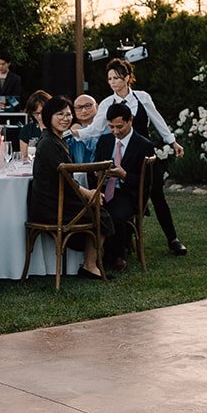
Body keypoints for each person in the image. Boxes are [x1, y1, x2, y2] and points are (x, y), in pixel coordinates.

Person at [76, 59, 188, 255]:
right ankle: (123, 243)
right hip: (122, 157)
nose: (112, 82)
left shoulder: (142, 97)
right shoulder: (106, 103)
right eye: (109, 78)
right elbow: (95, 129)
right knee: (121, 196)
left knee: (158, 197)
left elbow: (157, 120)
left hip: (143, 153)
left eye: (116, 78)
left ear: (127, 78)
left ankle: (173, 238)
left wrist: (172, 142)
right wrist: (73, 133)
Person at [27, 95, 110, 279]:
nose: (66, 118)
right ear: (49, 116)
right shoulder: (48, 142)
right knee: (100, 214)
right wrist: (88, 193)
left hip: (59, 199)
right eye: (60, 114)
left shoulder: (59, 139)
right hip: (49, 205)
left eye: (68, 114)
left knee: (100, 210)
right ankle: (90, 265)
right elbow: (64, 175)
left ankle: (92, 263)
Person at [91, 103, 153, 273]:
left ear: (130, 121)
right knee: (88, 209)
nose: (115, 131)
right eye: (111, 127)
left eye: (119, 126)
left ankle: (117, 255)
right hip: (104, 189)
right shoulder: (104, 141)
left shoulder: (143, 145)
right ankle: (92, 256)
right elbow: (95, 165)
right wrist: (98, 173)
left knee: (114, 213)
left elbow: (146, 182)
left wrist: (124, 175)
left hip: (130, 193)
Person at [17, 89, 51, 153]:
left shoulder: (58, 127)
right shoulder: (27, 130)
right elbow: (24, 157)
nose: (40, 116)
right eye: (36, 113)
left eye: (42, 112)